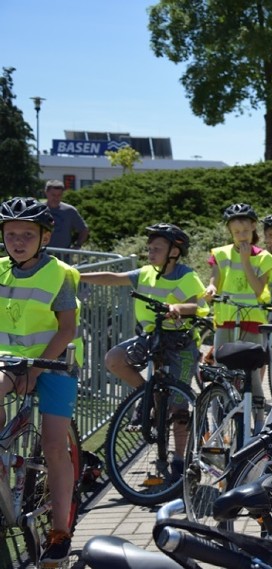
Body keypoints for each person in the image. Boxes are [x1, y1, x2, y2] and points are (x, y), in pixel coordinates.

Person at [80, 223, 207, 482]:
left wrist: (176, 307)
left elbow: (195, 305)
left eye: (157, 249)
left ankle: (179, 461)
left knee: (179, 408)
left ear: (174, 252)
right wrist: (78, 276)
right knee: (114, 359)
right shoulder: (146, 273)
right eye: (149, 248)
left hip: (180, 342)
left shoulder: (186, 275)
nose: (150, 253)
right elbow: (114, 279)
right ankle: (145, 396)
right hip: (151, 337)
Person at [0, 197, 84, 566]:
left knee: (53, 446)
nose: (18, 241)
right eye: (11, 234)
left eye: (27, 235)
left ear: (44, 237)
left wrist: (37, 370)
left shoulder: (60, 274)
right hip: (10, 362)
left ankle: (60, 530)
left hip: (55, 364)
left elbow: (67, 328)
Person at [205, 203, 272, 406]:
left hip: (251, 320)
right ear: (230, 231)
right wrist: (211, 289)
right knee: (222, 369)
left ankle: (258, 417)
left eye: (245, 230)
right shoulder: (220, 253)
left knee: (251, 372)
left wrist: (246, 261)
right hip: (226, 318)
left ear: (254, 226)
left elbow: (258, 290)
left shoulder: (263, 257)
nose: (241, 235)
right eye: (236, 232)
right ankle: (221, 414)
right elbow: (215, 280)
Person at [43, 179, 89, 250]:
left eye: (59, 195)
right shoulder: (39, 210)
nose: (56, 198)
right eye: (53, 195)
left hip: (63, 256)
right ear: (46, 193)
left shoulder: (69, 211)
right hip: (42, 255)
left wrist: (78, 245)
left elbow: (84, 229)